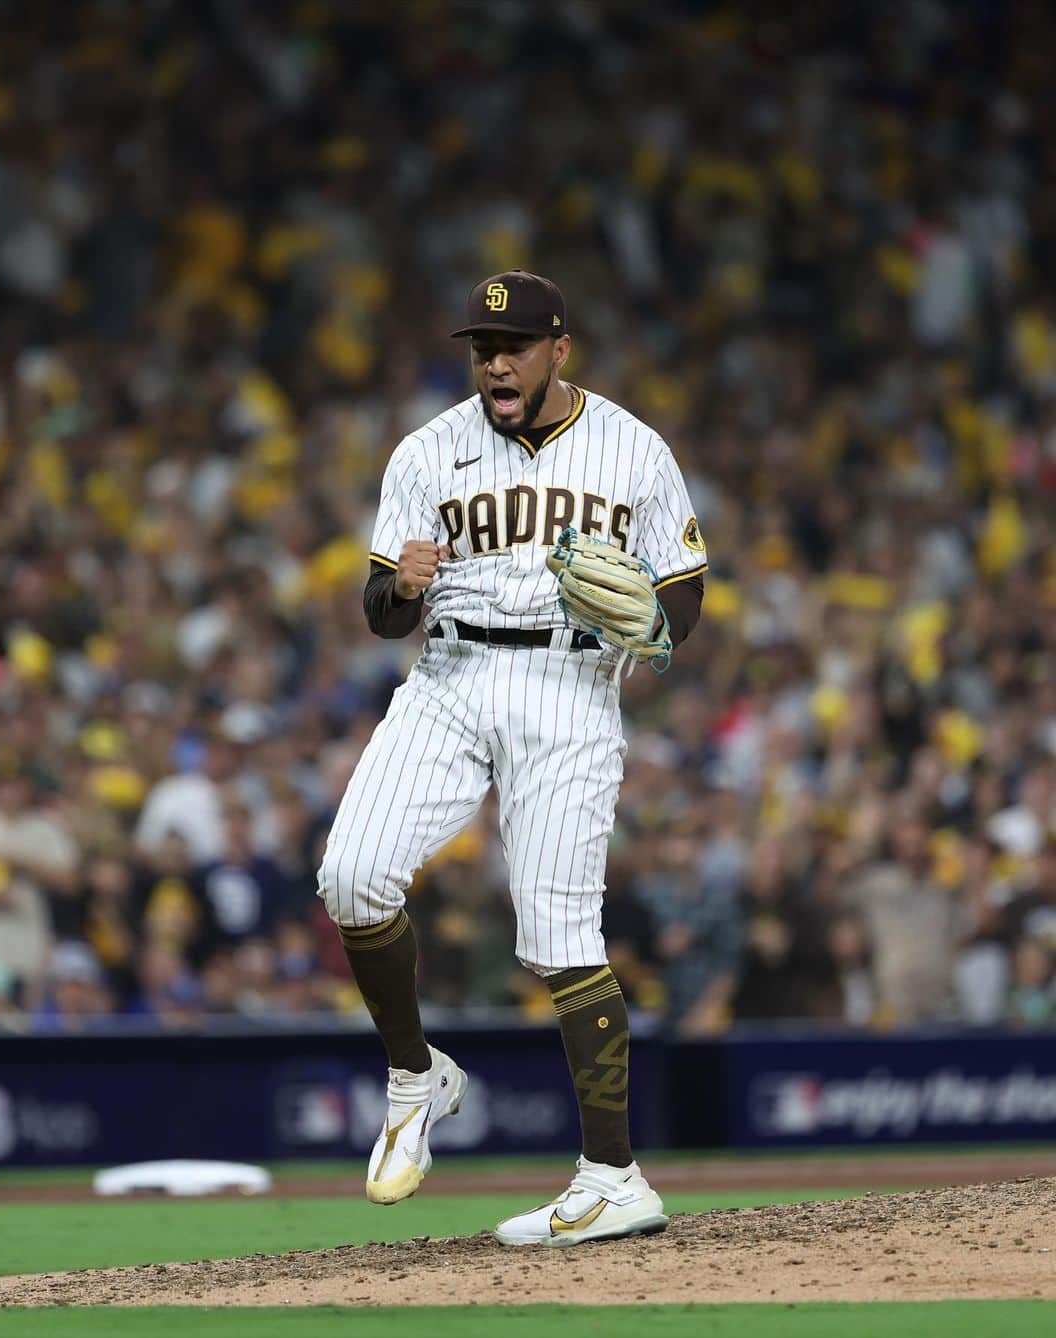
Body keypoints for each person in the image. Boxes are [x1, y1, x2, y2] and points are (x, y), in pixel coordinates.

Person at [317, 271, 707, 1246]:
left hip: (571, 689)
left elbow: (685, 590)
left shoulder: (633, 450)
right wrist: (399, 590)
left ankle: (614, 1179)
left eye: (516, 345)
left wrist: (656, 623)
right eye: (483, 346)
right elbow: (380, 613)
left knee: (558, 933)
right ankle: (417, 1074)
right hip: (448, 677)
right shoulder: (428, 452)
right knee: (352, 879)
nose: (496, 361)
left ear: (557, 350)